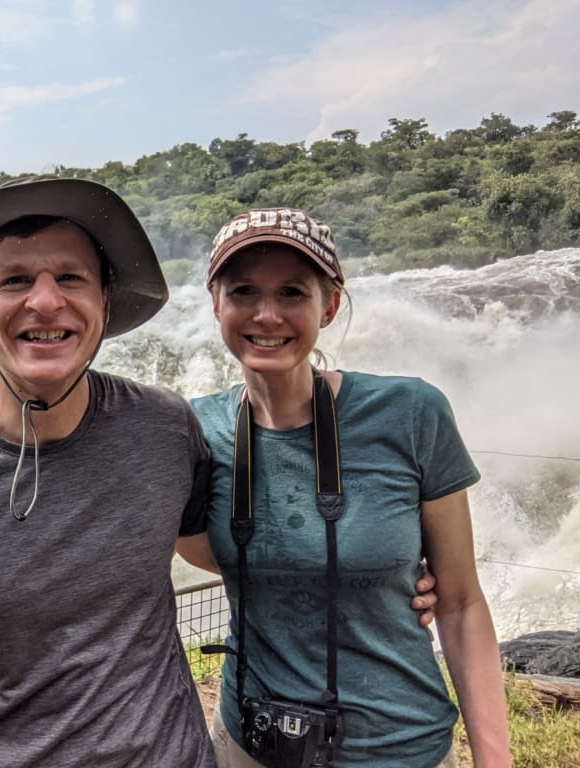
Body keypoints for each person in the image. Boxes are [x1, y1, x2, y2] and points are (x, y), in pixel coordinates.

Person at [0, 176, 218, 767]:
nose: (46, 301)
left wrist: (378, 571)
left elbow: (213, 549)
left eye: (70, 278)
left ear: (105, 298)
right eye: (16, 281)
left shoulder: (167, 428)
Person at [182, 208, 511, 767]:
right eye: (243, 292)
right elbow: (197, 547)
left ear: (328, 306)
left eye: (291, 292)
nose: (267, 314)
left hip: (399, 746)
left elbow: (458, 603)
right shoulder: (196, 430)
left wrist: (494, 759)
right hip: (252, 741)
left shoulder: (410, 413)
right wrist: (315, 562)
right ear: (217, 304)